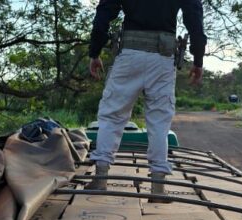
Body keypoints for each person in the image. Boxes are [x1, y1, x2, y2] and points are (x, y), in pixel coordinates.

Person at [86, 0, 206, 198]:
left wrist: (95, 52)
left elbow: (104, 12)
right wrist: (198, 59)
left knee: (112, 116)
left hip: (129, 54)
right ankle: (158, 186)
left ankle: (100, 178)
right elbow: (194, 17)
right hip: (163, 57)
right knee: (160, 122)